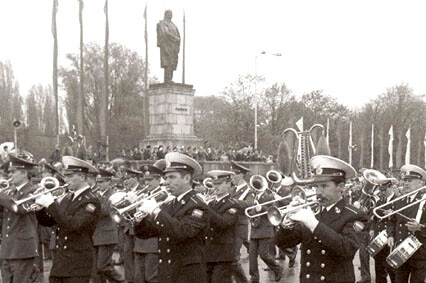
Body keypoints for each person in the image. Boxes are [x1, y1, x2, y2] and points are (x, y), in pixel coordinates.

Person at [275, 155, 367, 283]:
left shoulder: (354, 215)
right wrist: (287, 224)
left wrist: (313, 224)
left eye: (324, 186)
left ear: (340, 187)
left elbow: (347, 249)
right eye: (316, 186)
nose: (318, 192)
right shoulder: (314, 212)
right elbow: (284, 243)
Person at [134, 152, 208, 283]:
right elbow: (147, 233)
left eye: (172, 177)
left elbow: (183, 231)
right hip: (167, 271)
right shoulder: (170, 204)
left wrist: (155, 211)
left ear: (186, 178)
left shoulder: (197, 205)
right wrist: (140, 220)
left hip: (187, 274)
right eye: (166, 177)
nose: (166, 182)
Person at [35, 156, 101, 283]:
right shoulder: (68, 197)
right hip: (61, 261)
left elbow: (74, 224)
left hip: (78, 262)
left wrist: (51, 205)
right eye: (66, 176)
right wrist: (40, 209)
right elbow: (49, 222)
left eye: (71, 176)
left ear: (82, 177)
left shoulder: (90, 200)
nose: (66, 180)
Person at [0, 155, 39, 283]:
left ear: (24, 173)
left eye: (13, 172)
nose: (10, 175)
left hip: (22, 249)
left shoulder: (34, 190)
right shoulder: (10, 193)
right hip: (8, 248)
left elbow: (20, 208)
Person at [387, 164, 426, 282]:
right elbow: (392, 221)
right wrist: (390, 235)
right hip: (401, 251)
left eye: (410, 181)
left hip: (419, 253)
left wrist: (420, 228)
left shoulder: (424, 201)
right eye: (405, 180)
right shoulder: (400, 201)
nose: (406, 183)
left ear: (421, 183)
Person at [205, 170, 240, 283]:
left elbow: (224, 223)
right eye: (214, 184)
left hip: (224, 253)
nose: (216, 187)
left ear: (228, 184)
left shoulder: (232, 204)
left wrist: (206, 208)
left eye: (219, 184)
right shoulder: (210, 204)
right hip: (209, 251)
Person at [91, 168, 124, 283]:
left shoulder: (113, 195)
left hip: (107, 235)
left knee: (103, 266)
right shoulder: (95, 194)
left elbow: (105, 211)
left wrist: (95, 200)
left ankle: (120, 281)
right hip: (95, 234)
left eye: (101, 182)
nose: (98, 184)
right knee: (94, 269)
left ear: (109, 182)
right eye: (97, 182)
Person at [133, 165, 163, 283]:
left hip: (153, 242)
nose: (147, 183)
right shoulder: (144, 195)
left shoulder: (162, 195)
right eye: (145, 180)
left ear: (158, 179)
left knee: (151, 278)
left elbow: (160, 218)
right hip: (140, 242)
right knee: (138, 278)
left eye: (150, 180)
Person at [229, 161, 255, 283]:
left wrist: (233, 202)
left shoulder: (248, 191)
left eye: (233, 175)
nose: (231, 178)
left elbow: (249, 204)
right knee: (228, 257)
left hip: (239, 227)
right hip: (229, 225)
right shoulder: (232, 189)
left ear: (240, 175)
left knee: (234, 258)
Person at [369, 179, 396, 283]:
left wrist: (393, 213)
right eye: (381, 190)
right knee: (379, 268)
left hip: (390, 239)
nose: (382, 192)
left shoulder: (397, 200)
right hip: (379, 238)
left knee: (392, 269)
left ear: (390, 187)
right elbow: (374, 218)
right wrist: (372, 229)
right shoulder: (380, 201)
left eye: (384, 190)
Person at [157, 10, 181, 83]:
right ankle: (167, 79)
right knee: (167, 62)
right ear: (165, 14)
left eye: (171, 14)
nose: (170, 15)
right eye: (169, 14)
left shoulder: (173, 25)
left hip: (174, 46)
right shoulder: (163, 23)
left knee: (173, 63)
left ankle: (170, 79)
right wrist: (175, 38)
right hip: (166, 45)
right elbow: (165, 33)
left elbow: (178, 35)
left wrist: (177, 41)